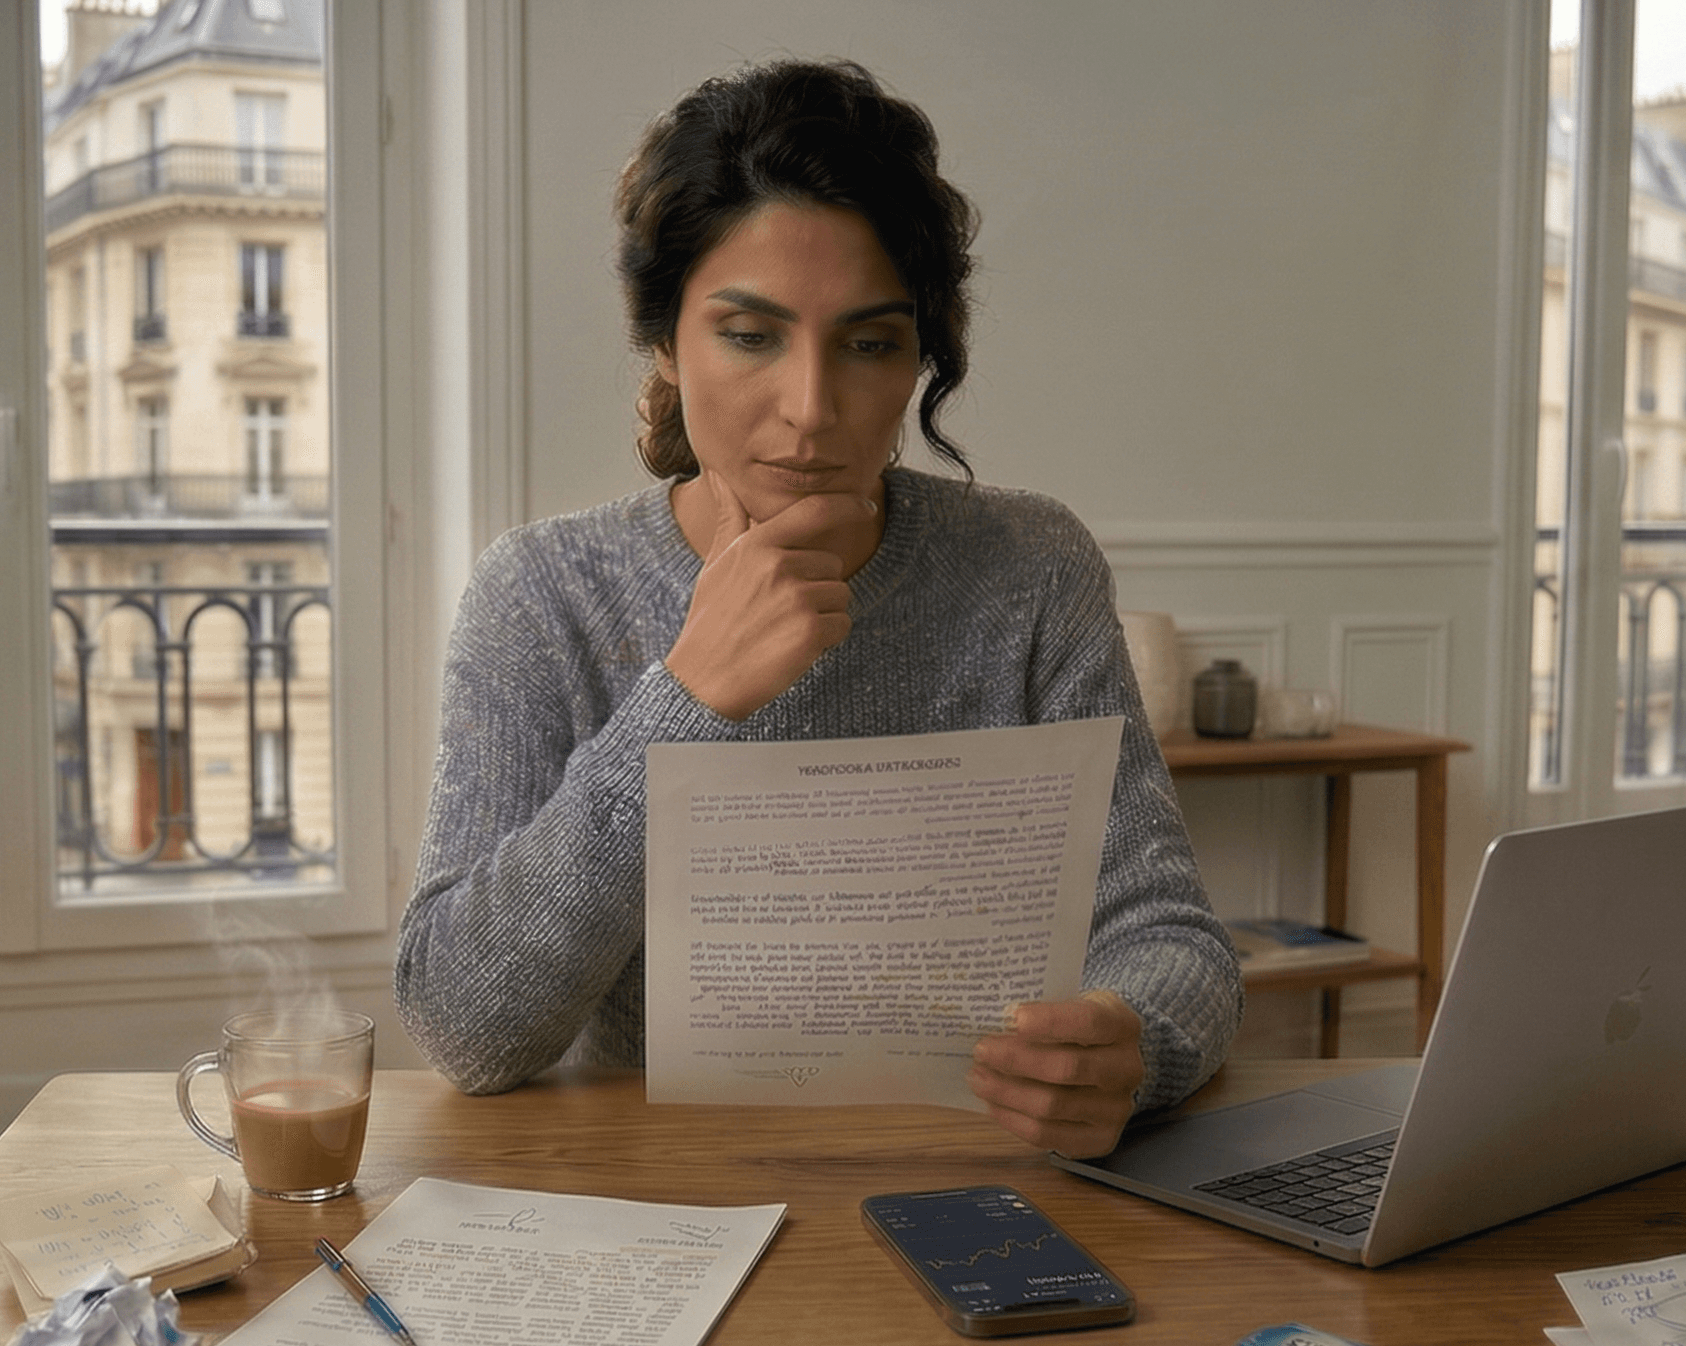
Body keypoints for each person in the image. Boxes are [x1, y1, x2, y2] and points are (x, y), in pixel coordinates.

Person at [396, 58, 1239, 1159]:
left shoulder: (1030, 567)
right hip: (661, 1208)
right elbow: (463, 1027)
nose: (810, 410)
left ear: (920, 358)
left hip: (977, 1184)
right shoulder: (543, 592)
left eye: (870, 343)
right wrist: (685, 700)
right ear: (664, 342)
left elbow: (1167, 932)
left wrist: (1131, 1044)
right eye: (750, 336)